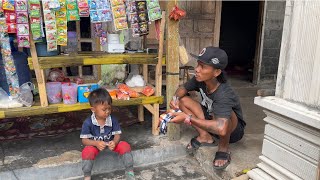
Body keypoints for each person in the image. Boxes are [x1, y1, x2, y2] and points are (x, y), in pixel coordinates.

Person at [169, 46, 246, 170]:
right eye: (198, 64)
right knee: (183, 100)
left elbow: (221, 128)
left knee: (223, 112)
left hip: (232, 131)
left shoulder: (224, 93)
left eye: (203, 67)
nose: (197, 69)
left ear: (216, 72)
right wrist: (174, 100)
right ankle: (205, 136)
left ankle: (223, 148)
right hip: (212, 119)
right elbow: (182, 89)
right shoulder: (200, 79)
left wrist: (187, 118)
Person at [80, 88, 135, 180]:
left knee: (125, 146)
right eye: (104, 109)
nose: (107, 112)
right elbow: (84, 140)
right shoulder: (88, 122)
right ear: (93, 109)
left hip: (111, 145)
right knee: (87, 151)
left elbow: (117, 135)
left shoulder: (112, 119)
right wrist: (96, 143)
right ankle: (87, 176)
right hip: (95, 146)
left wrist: (115, 141)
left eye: (109, 108)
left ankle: (129, 172)